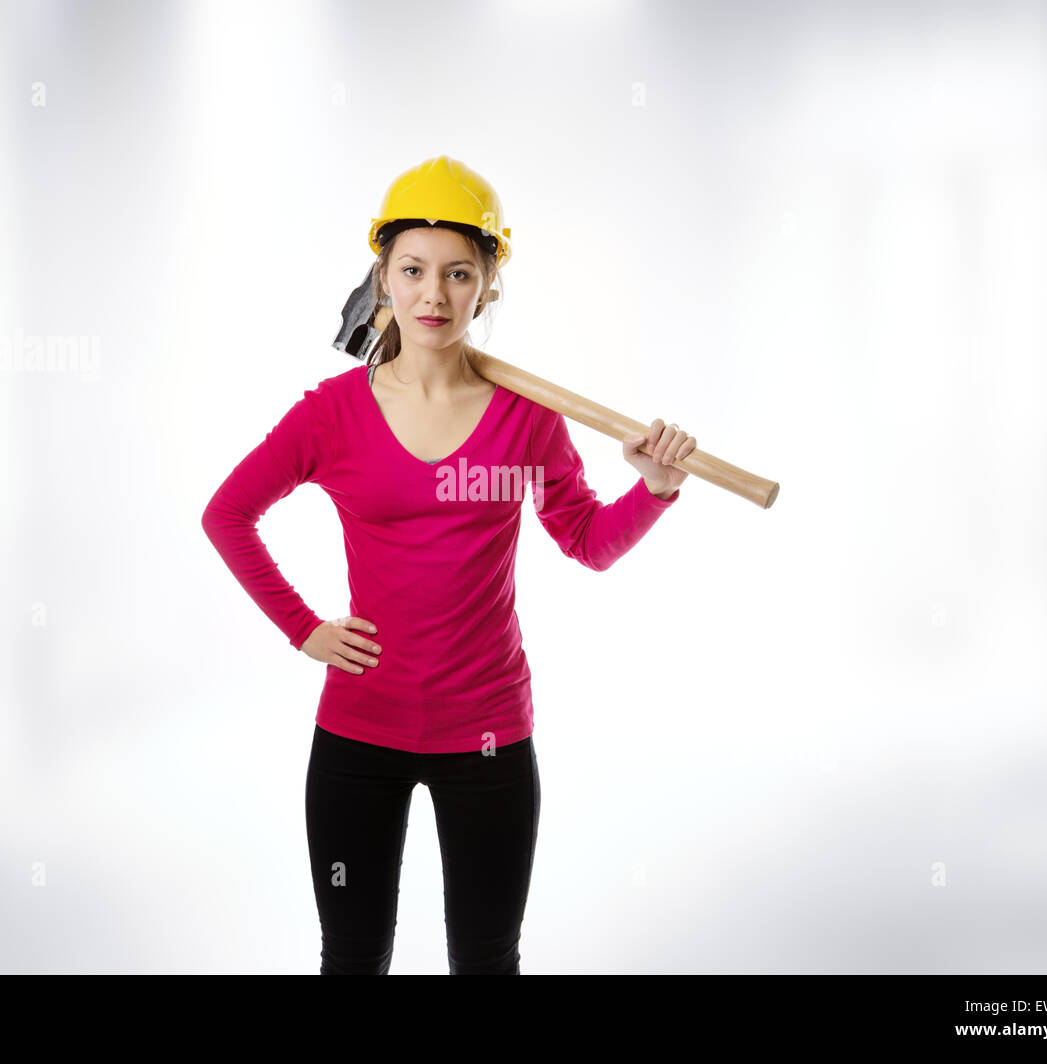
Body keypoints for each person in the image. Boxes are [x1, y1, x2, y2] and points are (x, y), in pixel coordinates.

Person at [201, 156, 695, 974]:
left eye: (459, 273)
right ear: (383, 277)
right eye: (414, 270)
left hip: (490, 739)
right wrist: (303, 630)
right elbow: (227, 515)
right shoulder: (331, 415)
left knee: (487, 961)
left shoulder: (527, 420)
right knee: (354, 958)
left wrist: (655, 490)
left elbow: (586, 542)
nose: (434, 295)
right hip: (359, 733)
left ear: (487, 284)